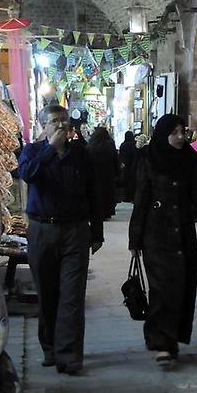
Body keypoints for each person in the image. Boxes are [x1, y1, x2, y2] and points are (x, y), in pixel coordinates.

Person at [18, 105, 104, 375]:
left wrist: (97, 231)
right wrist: (49, 150)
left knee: (72, 295)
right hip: (42, 230)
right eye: (54, 121)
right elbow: (27, 175)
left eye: (64, 121)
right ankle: (50, 347)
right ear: (43, 125)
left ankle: (69, 355)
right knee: (48, 293)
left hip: (75, 231)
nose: (60, 126)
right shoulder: (32, 151)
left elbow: (94, 191)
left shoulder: (80, 154)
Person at [128, 115, 197, 365]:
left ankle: (172, 337)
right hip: (156, 232)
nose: (179, 137)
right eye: (173, 132)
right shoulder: (149, 158)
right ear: (163, 133)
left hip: (183, 232)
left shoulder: (190, 159)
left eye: (182, 132)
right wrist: (135, 240)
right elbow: (140, 198)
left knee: (182, 287)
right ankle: (162, 343)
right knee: (162, 288)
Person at [86, 127, 120, 219]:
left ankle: (96, 212)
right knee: (107, 194)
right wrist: (117, 172)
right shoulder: (110, 144)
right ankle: (106, 212)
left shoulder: (91, 145)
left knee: (97, 194)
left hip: (95, 175)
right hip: (108, 174)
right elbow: (115, 159)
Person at [119, 131, 137, 201]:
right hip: (133, 165)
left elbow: (120, 155)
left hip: (125, 165)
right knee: (132, 181)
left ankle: (125, 197)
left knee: (125, 181)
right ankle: (132, 196)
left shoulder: (123, 145)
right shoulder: (134, 144)